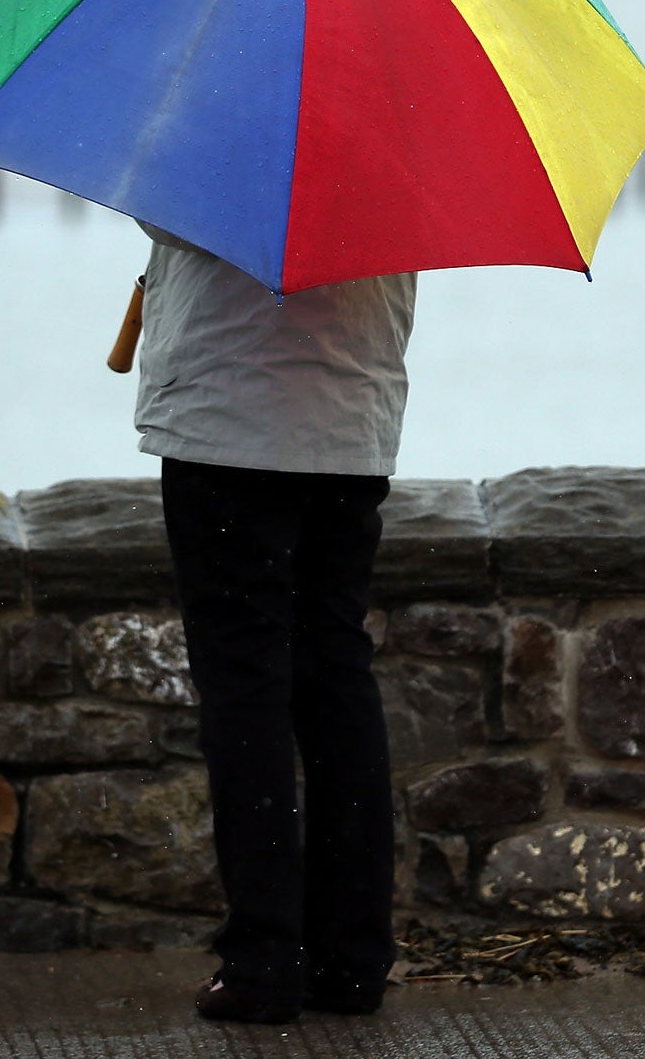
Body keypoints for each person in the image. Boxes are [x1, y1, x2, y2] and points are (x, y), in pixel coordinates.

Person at [131, 220, 416, 1025]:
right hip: (349, 428)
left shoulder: (217, 110)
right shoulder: (397, 129)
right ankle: (352, 959)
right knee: (336, 680)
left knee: (244, 691)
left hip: (226, 424)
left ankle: (262, 961)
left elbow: (174, 207)